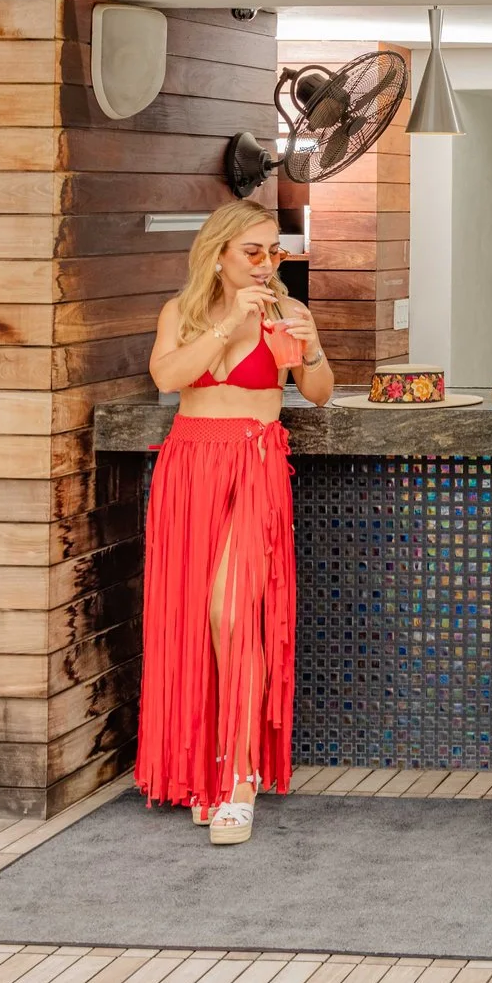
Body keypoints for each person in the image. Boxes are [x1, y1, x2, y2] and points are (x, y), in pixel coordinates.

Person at [140, 199, 335, 846]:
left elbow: (320, 391)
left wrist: (307, 352)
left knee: (232, 612)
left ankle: (242, 777)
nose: (265, 263)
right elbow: (168, 374)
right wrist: (226, 330)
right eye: (253, 251)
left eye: (273, 251)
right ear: (219, 253)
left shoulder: (288, 311)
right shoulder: (184, 313)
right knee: (194, 621)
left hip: (255, 462)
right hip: (190, 466)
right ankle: (206, 769)